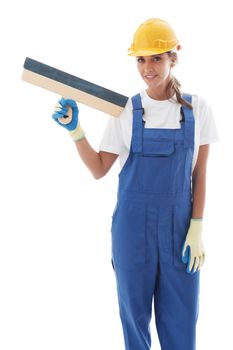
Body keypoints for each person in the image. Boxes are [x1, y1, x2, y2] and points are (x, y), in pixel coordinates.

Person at [52, 18, 219, 350]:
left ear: (174, 58)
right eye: (140, 59)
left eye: (156, 58)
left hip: (179, 233)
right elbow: (100, 168)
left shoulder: (198, 109)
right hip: (132, 232)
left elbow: (200, 174)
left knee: (181, 323)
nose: (148, 67)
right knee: (134, 322)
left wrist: (197, 226)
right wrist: (76, 131)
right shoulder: (125, 110)